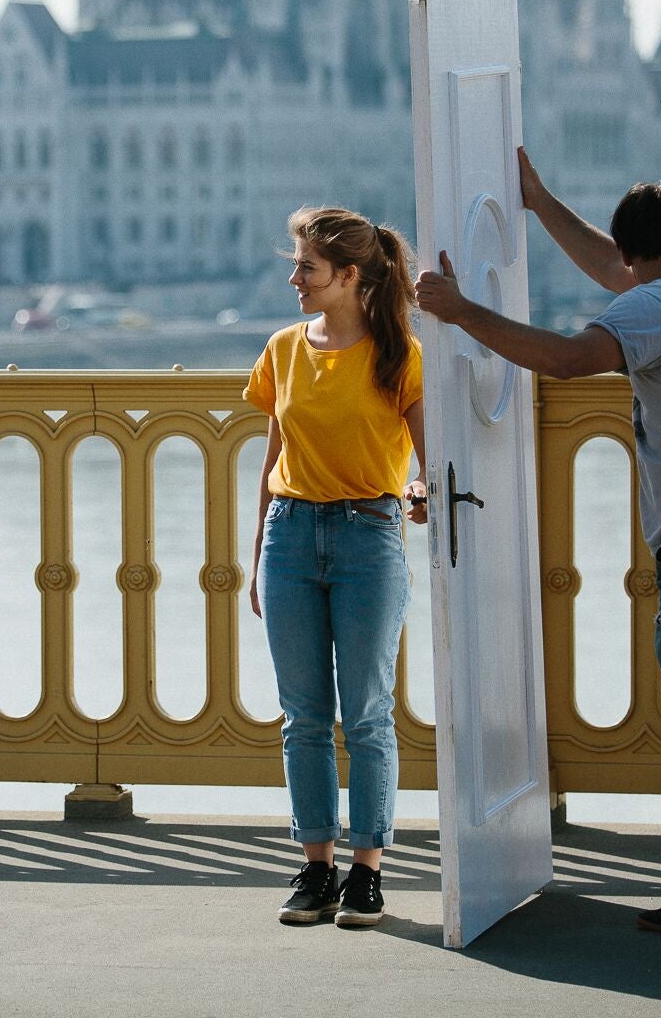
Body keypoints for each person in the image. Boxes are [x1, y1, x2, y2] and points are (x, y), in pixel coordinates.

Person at [414, 148, 661, 935]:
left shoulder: (656, 307)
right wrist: (540, 202)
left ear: (634, 253)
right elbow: (620, 276)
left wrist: (458, 312)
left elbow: (564, 360)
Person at [246, 206, 429, 929]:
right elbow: (271, 459)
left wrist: (418, 487)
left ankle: (367, 872)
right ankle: (315, 866)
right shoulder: (284, 349)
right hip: (292, 535)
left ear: (350, 277)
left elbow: (429, 451)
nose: (294, 278)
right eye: (295, 265)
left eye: (306, 269)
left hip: (367, 536)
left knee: (368, 714)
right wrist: (258, 550)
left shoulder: (398, 354)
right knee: (304, 718)